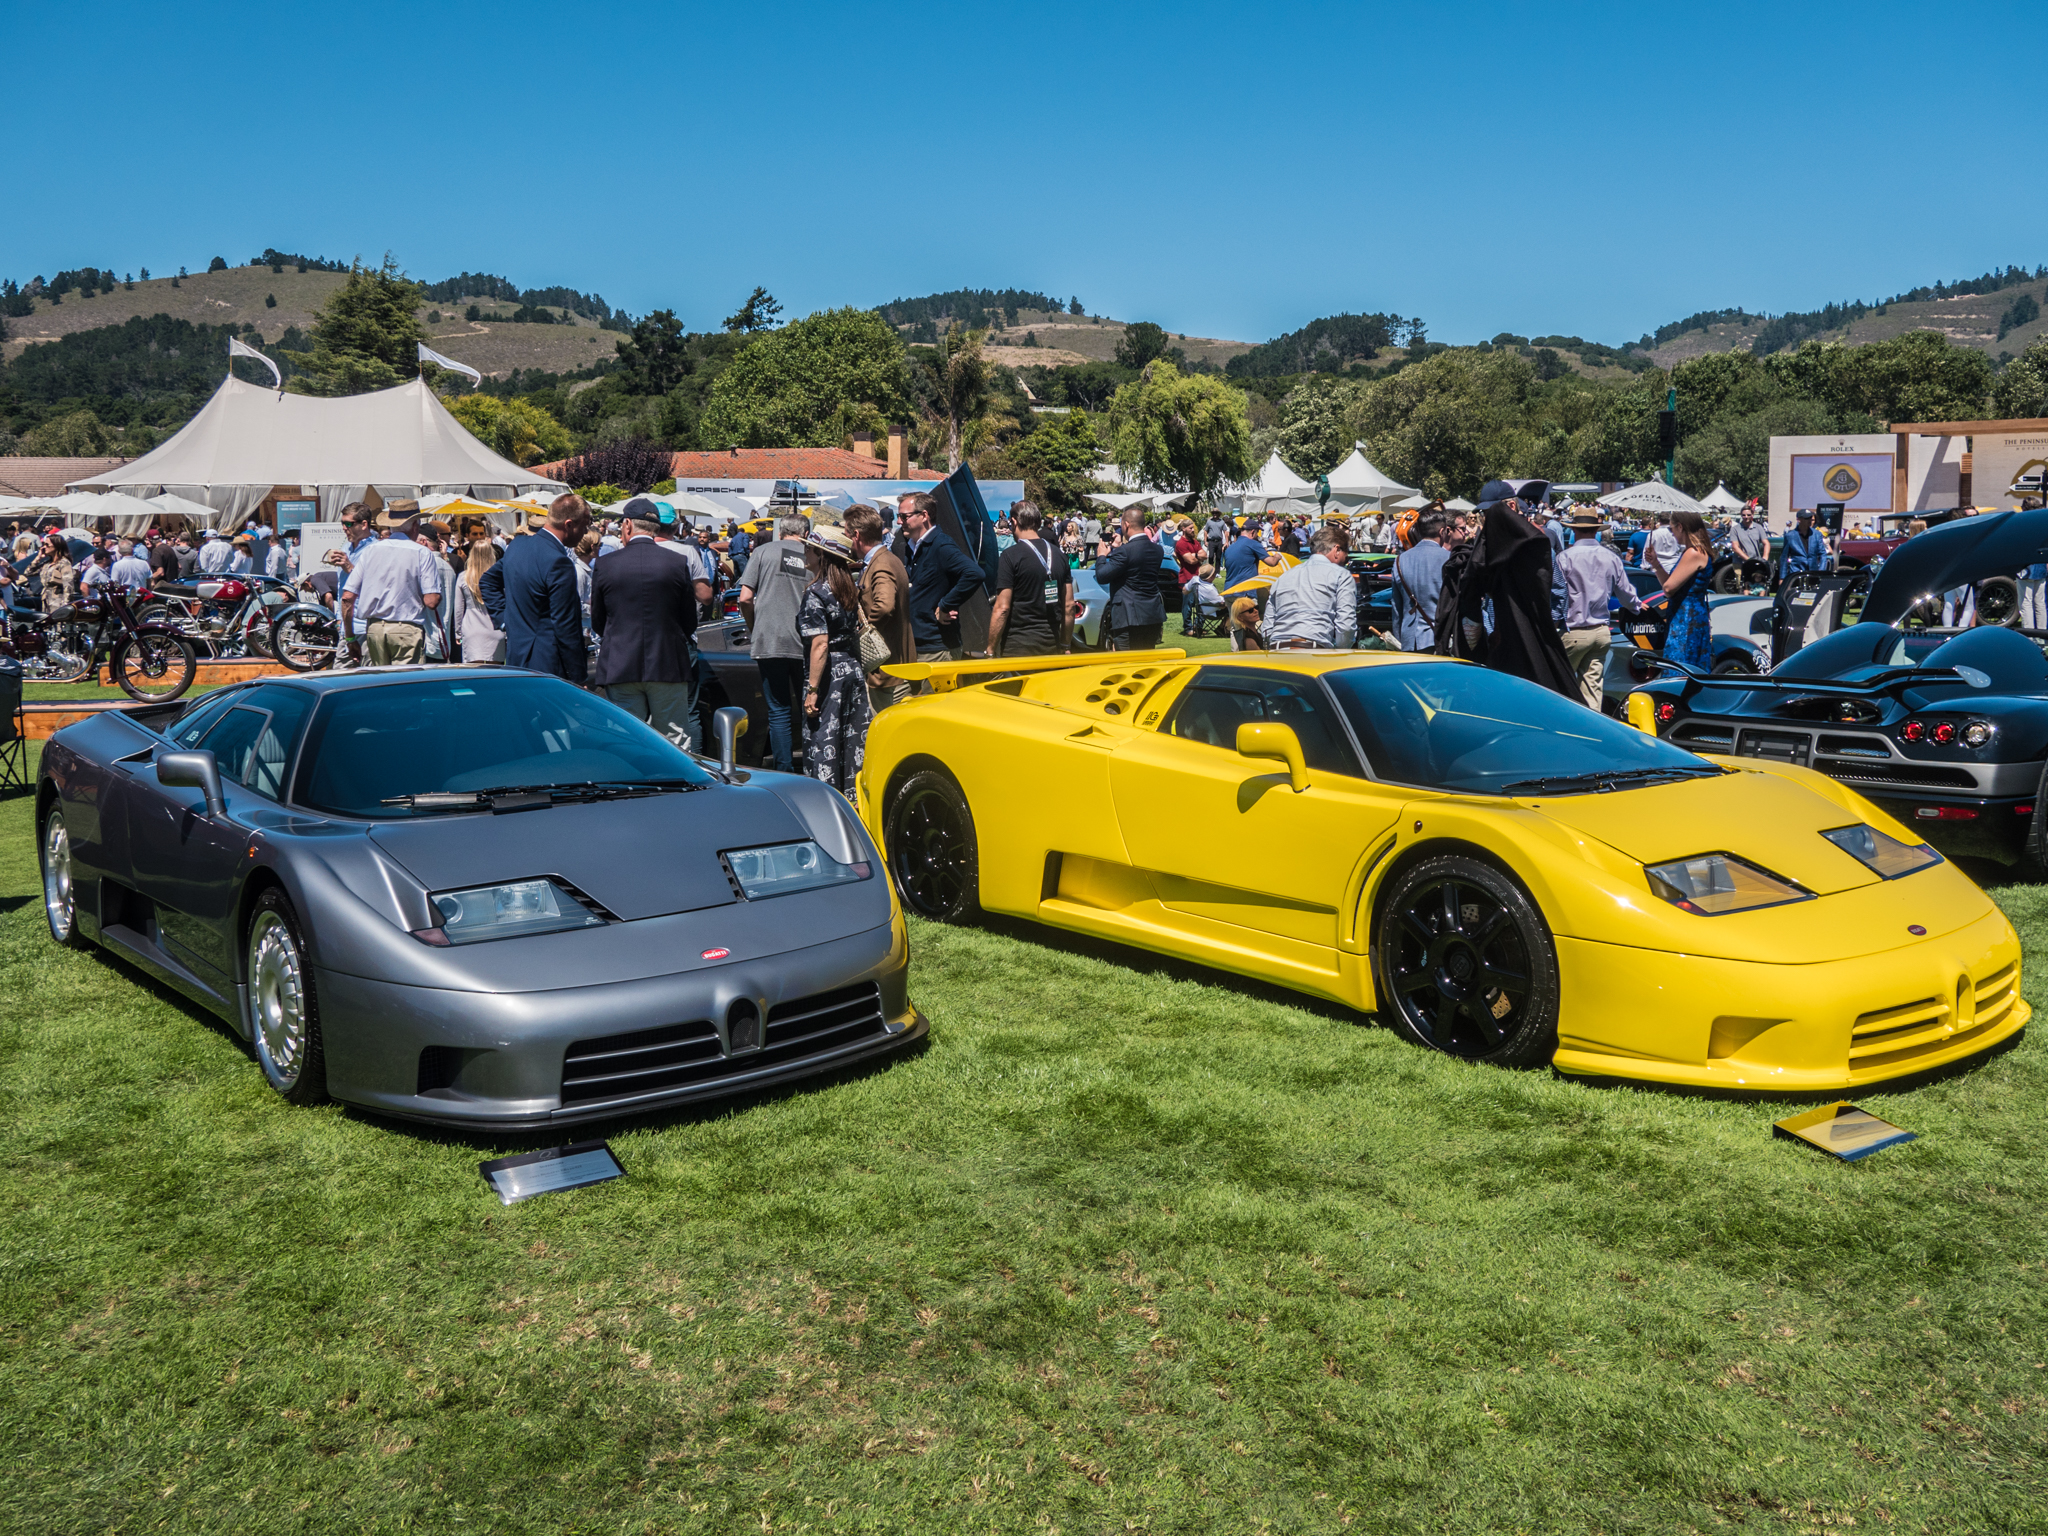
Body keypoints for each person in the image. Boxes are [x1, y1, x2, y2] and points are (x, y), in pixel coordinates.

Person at [1440, 483, 1579, 697]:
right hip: (1502, 646)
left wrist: (1540, 628)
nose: (1486, 519)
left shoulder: (1535, 545)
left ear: (1512, 506)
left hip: (1534, 644)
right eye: (1483, 514)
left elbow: (1557, 593)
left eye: (1490, 513)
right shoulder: (1485, 548)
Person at [590, 499, 703, 747]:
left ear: (628, 524)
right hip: (667, 663)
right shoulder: (676, 563)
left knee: (627, 738)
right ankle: (677, 786)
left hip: (620, 663)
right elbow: (689, 620)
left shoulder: (605, 564)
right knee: (674, 740)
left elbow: (598, 620)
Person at [480, 492, 592, 683]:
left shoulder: (518, 546)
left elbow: (487, 582)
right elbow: (565, 626)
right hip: (548, 666)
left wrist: (506, 620)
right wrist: (578, 676)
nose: (586, 532)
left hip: (517, 658)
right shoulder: (558, 562)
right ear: (569, 525)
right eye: (585, 525)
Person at [797, 525, 873, 794]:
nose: (804, 552)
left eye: (808, 548)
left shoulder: (816, 592)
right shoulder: (848, 589)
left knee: (823, 743)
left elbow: (819, 644)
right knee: (852, 743)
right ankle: (853, 802)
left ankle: (824, 802)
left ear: (820, 554)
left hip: (829, 675)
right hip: (852, 670)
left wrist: (812, 690)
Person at [739, 514, 816, 772]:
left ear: (780, 532)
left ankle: (784, 771)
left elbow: (745, 598)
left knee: (779, 711)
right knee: (811, 708)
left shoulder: (762, 552)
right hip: (806, 641)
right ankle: (814, 766)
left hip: (769, 639)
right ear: (805, 532)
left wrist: (755, 626)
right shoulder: (813, 556)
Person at [1555, 512, 1638, 708]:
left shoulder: (1564, 558)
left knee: (1557, 688)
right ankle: (1591, 733)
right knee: (1592, 693)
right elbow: (1625, 592)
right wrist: (1637, 606)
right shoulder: (1610, 557)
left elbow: (1556, 597)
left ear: (1574, 530)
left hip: (1573, 630)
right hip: (1601, 632)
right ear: (1596, 531)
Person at [341, 512, 445, 665]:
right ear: (415, 526)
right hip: (407, 628)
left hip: (375, 628)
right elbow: (431, 601)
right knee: (404, 685)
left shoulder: (371, 550)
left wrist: (350, 637)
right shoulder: (421, 552)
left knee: (378, 685)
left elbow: (347, 598)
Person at [894, 493, 984, 664]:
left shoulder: (942, 545)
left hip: (936, 649)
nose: (899, 522)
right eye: (898, 517)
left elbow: (974, 573)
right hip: (911, 646)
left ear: (924, 515)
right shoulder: (907, 547)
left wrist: (945, 604)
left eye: (904, 516)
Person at [985, 502, 1072, 657]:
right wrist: (1065, 645)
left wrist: (990, 650)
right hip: (1052, 645)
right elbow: (1069, 606)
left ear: (1014, 522)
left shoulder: (1009, 556)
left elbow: (1002, 608)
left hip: (1018, 647)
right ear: (1038, 523)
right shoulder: (1060, 556)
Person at [847, 506, 912, 712]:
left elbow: (884, 605)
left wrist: (864, 631)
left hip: (887, 671)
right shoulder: (886, 559)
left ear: (856, 535)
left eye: (847, 535)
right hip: (893, 667)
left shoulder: (881, 564)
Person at [1262, 525, 1357, 649]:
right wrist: (1340, 650)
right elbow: (1346, 626)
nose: (1345, 561)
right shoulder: (1341, 575)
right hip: (1314, 652)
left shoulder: (1284, 576)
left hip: (1277, 650)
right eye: (1346, 557)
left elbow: (1267, 627)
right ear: (1337, 550)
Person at [1093, 505, 1168, 651]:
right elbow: (1134, 565)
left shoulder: (1125, 552)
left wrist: (1102, 555)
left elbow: (1102, 576)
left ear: (1126, 525)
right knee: (1147, 661)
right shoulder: (1157, 549)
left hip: (1128, 616)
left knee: (1127, 663)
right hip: (1152, 614)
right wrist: (1118, 548)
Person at [1390, 509, 1454, 651]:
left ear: (1418, 531)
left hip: (1409, 640)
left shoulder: (1400, 560)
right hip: (1439, 639)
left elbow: (1396, 608)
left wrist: (1399, 639)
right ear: (1442, 531)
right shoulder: (1449, 559)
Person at [1660, 509, 1715, 670]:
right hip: (1690, 613)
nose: (1672, 534)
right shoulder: (1694, 551)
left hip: (1686, 616)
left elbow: (1669, 588)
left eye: (1672, 529)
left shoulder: (1693, 552)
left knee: (1680, 665)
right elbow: (1669, 584)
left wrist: (1667, 587)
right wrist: (1656, 565)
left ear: (1680, 527)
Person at [453, 538, 507, 664]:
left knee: (473, 675)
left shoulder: (463, 577)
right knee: (495, 675)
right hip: (495, 629)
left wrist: (458, 632)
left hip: (472, 629)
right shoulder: (499, 577)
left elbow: (458, 609)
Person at [1781, 508, 1832, 582]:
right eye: (1806, 518)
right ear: (1799, 520)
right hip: (1796, 573)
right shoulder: (1790, 536)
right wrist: (1782, 577)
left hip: (1813, 573)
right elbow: (1784, 557)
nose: (1809, 520)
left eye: (1810, 518)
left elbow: (1823, 554)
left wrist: (1821, 570)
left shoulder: (1817, 534)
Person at [1173, 519, 1204, 636]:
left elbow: (1205, 555)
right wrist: (1197, 556)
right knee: (1188, 604)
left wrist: (1194, 555)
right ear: (1183, 529)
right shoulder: (1181, 543)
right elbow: (1190, 561)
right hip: (1186, 577)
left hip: (1198, 576)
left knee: (1201, 602)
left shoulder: (1195, 542)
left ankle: (1198, 627)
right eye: (1190, 528)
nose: (1193, 530)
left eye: (1193, 528)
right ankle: (1188, 628)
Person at [1221, 520, 1266, 590]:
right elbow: (1272, 562)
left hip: (1229, 591)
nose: (1257, 535)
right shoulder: (1253, 544)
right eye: (1257, 532)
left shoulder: (1230, 548)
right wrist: (1277, 556)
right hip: (1245, 591)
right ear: (1253, 532)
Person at [1645, 512, 1683, 581]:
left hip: (1656, 570)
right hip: (1674, 568)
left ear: (1659, 520)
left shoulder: (1652, 534)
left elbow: (1647, 551)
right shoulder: (1674, 533)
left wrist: (1645, 566)